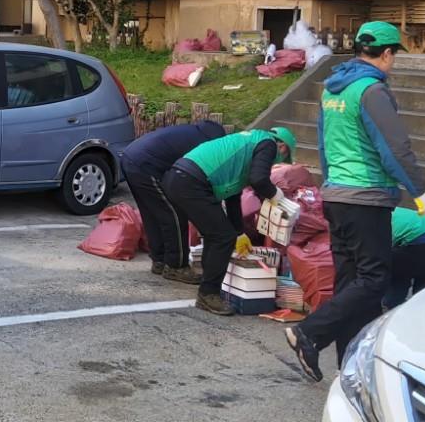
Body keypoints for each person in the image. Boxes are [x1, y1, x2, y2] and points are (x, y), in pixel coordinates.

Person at [285, 21, 425, 382]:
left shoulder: (332, 90)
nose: (392, 61)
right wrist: (418, 189)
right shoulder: (371, 91)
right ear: (386, 53)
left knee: (351, 283)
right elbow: (394, 147)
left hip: (336, 194)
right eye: (393, 54)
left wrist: (330, 183)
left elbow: (322, 143)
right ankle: (310, 332)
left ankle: (349, 365)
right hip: (366, 198)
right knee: (373, 280)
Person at [162, 126, 296, 315]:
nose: (276, 161)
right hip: (191, 182)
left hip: (180, 177)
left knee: (216, 234)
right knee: (222, 237)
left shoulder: (246, 144)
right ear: (282, 147)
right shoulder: (268, 144)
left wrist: (240, 233)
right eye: (283, 156)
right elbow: (259, 179)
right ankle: (208, 294)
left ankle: (209, 285)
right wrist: (276, 195)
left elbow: (233, 197)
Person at [120, 120, 227, 284]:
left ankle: (160, 260)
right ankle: (176, 266)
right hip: (145, 165)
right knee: (174, 215)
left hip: (130, 158)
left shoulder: (188, 132)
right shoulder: (203, 145)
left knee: (152, 213)